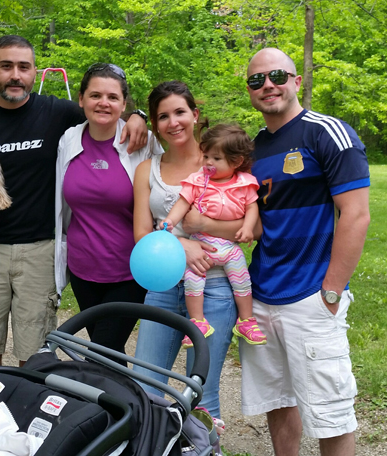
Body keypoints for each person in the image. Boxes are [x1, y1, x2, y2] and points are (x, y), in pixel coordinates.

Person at [0, 35, 148, 371]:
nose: (15, 75)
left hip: (40, 252)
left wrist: (138, 115)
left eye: (24, 67)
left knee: (36, 355)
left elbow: (105, 111)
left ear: (35, 72)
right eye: (6, 66)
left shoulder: (58, 113)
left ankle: (26, 417)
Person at [184, 48, 370, 456]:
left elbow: (356, 216)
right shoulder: (253, 150)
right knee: (278, 402)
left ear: (296, 81)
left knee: (330, 413)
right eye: (256, 80)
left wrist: (332, 291)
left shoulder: (326, 132)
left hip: (311, 296)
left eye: (277, 76)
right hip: (261, 296)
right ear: (249, 90)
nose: (268, 85)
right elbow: (248, 219)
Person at [132, 81, 242, 435]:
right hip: (163, 289)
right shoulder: (147, 170)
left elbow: (247, 227)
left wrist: (200, 225)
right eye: (163, 116)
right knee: (146, 387)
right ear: (155, 124)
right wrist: (183, 246)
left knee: (202, 395)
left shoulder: (220, 163)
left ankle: (204, 446)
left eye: (180, 112)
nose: (173, 122)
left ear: (195, 115)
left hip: (215, 289)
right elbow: (141, 235)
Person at [54, 63, 163, 364]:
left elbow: (171, 180)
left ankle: (107, 407)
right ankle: (123, 409)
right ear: (81, 99)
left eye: (113, 97)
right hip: (83, 270)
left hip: (130, 270)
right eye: (95, 95)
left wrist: (140, 118)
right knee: (110, 353)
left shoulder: (143, 142)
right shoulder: (69, 141)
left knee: (100, 353)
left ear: (124, 104)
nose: (104, 103)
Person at [161, 123, 266, 349]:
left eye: (216, 158)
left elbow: (252, 208)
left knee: (242, 281)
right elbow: (183, 202)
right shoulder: (198, 181)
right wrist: (170, 221)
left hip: (229, 249)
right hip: (202, 246)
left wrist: (247, 228)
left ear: (236, 162)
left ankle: (246, 320)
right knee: (193, 279)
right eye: (206, 155)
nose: (208, 162)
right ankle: (197, 321)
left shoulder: (243, 183)